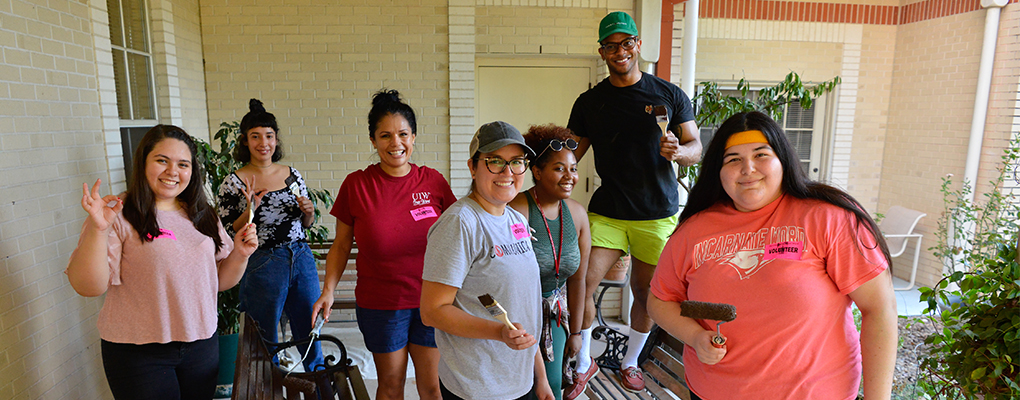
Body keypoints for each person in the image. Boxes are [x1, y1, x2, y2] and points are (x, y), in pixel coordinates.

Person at [647, 111, 898, 400]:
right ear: (718, 170)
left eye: (761, 154)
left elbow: (879, 309)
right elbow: (660, 300)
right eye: (733, 159)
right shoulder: (693, 230)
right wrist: (694, 336)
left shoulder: (827, 218)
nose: (747, 169)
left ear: (783, 160)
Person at [565, 11, 702, 396]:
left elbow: (696, 147)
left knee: (648, 294)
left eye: (626, 43)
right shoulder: (590, 102)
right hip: (608, 209)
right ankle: (583, 362)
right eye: (611, 45)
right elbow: (571, 154)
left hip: (656, 212)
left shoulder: (669, 94)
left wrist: (679, 152)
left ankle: (630, 361)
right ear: (602, 51)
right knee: (582, 283)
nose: (619, 51)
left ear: (638, 45)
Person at [66, 125, 258, 400]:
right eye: (161, 161)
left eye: (183, 164)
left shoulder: (203, 215)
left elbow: (218, 282)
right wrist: (98, 230)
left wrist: (240, 254)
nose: (173, 172)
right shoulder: (118, 214)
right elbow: (88, 286)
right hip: (139, 352)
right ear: (143, 162)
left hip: (201, 344)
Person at [311, 89, 455, 400]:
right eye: (385, 135)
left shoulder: (433, 182)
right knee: (390, 387)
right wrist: (329, 290)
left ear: (414, 137)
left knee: (432, 387)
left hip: (432, 300)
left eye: (403, 134)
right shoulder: (357, 185)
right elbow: (340, 244)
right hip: (382, 304)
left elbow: (459, 234)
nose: (396, 143)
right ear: (373, 141)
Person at [420, 121, 553, 400]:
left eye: (517, 162)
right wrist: (499, 332)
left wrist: (539, 377)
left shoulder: (515, 219)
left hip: (520, 378)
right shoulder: (460, 224)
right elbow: (433, 311)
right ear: (473, 166)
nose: (508, 172)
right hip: (479, 385)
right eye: (495, 161)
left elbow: (523, 308)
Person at [216, 99, 322, 370]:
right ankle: (266, 388)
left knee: (310, 331)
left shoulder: (291, 175)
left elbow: (306, 223)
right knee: (263, 339)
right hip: (262, 261)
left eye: (269, 136)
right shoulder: (234, 181)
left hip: (300, 256)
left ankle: (319, 386)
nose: (263, 143)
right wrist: (250, 209)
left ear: (276, 140)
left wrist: (309, 211)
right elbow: (228, 231)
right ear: (245, 141)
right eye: (255, 137)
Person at [508, 124, 590, 400]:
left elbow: (579, 279)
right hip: (516, 314)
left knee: (552, 387)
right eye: (559, 168)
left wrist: (576, 332)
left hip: (554, 315)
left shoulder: (577, 215)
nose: (570, 176)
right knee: (517, 387)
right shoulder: (517, 209)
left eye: (574, 168)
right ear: (537, 171)